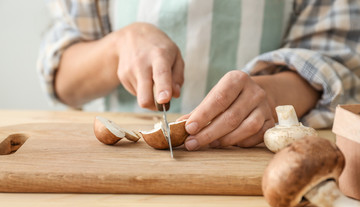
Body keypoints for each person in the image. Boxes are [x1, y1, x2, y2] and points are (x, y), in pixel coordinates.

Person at [38, 0, 360, 151]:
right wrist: (117, 47)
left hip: (258, 159)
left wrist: (272, 93)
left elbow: (338, 62)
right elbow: (62, 77)